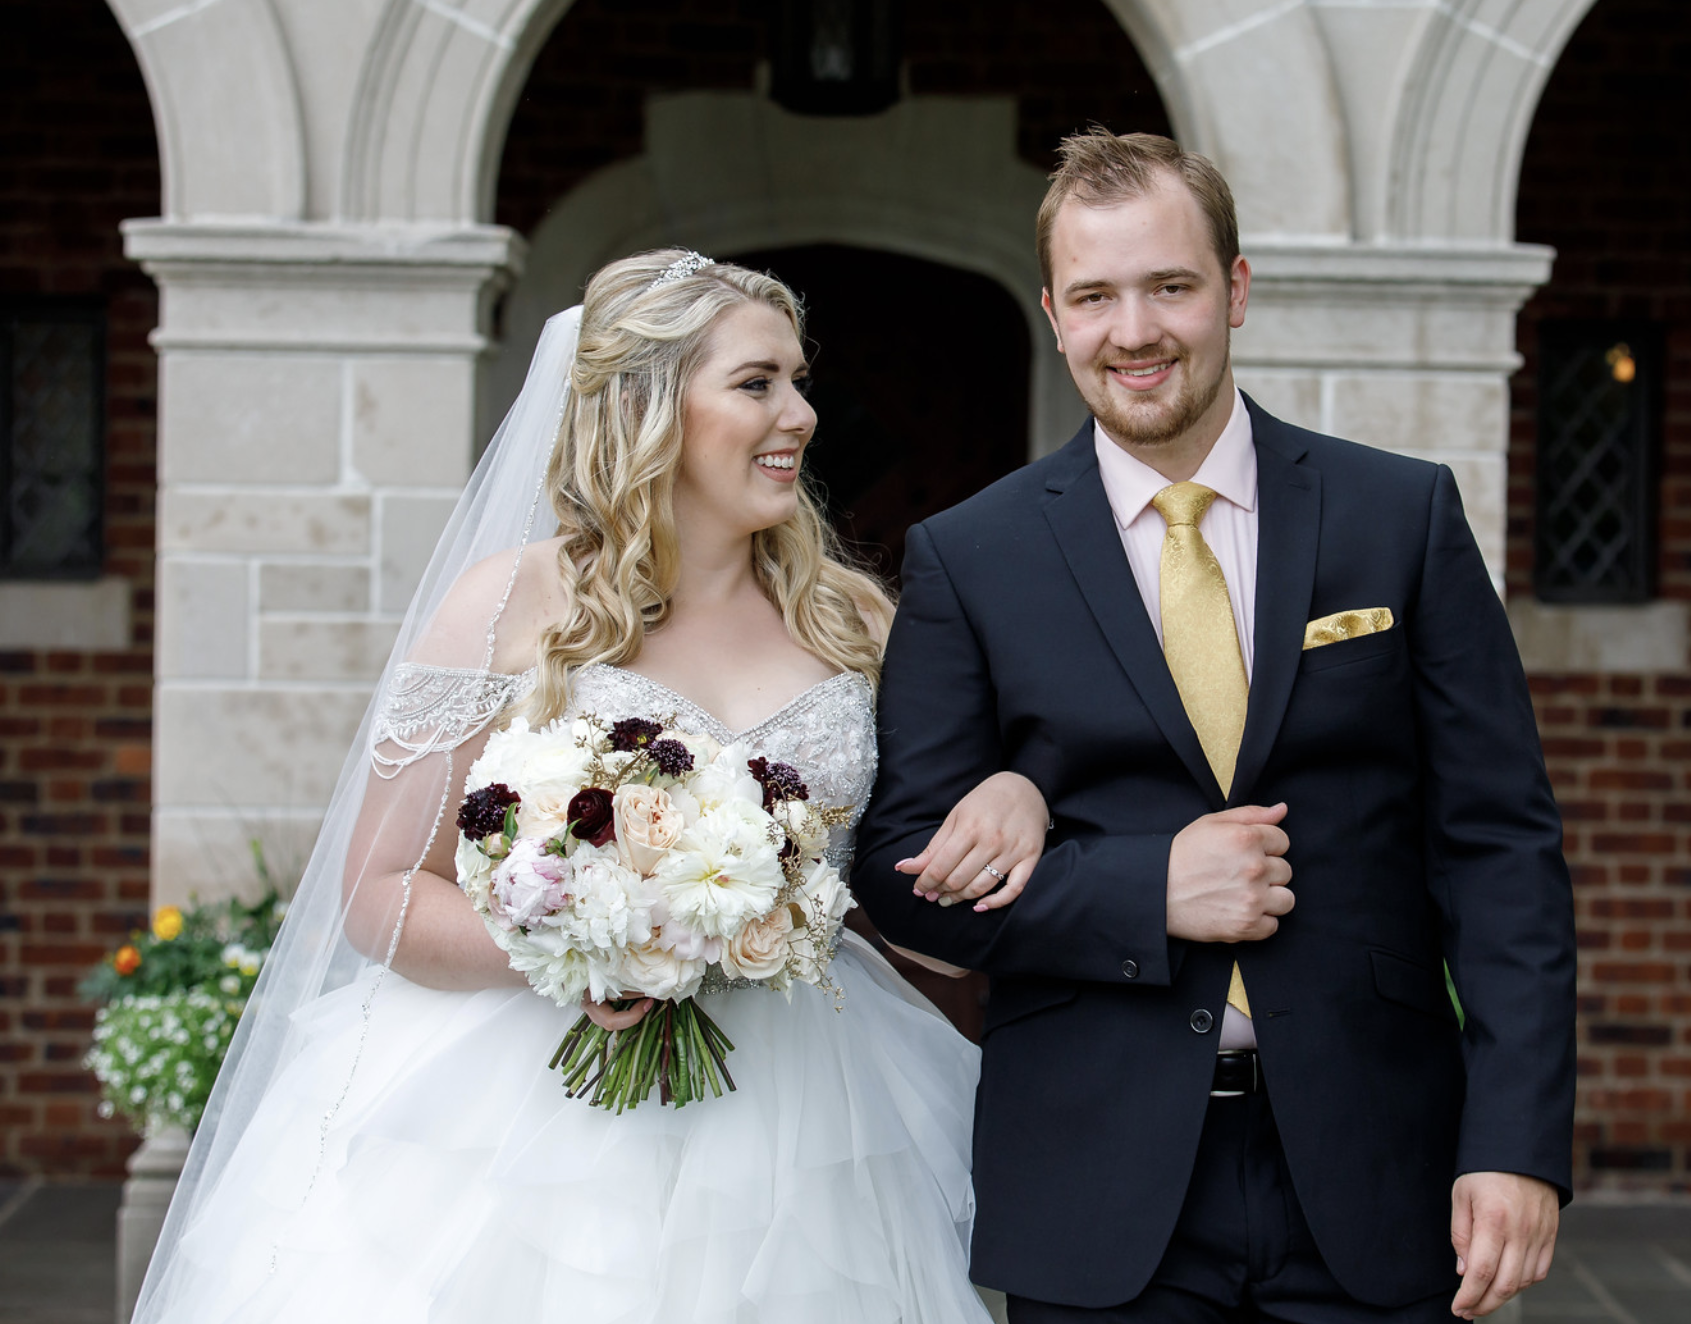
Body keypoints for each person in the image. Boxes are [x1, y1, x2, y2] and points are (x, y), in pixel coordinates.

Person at [131, 250, 1051, 1323]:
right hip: (519, 1125)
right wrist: (587, 951)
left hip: (804, 1124)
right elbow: (380, 892)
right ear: (647, 405)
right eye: (757, 383)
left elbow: (920, 882)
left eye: (798, 381)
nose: (800, 414)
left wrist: (1016, 798)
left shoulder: (857, 621)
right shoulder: (509, 604)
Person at [852, 128, 1577, 1322]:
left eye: (1170, 286)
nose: (1134, 331)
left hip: (1377, 1166)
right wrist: (1145, 889)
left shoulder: (1399, 514)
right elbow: (896, 872)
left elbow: (1501, 846)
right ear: (1055, 314)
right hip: (1096, 1180)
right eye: (1096, 296)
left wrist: (1516, 1140)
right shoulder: (971, 556)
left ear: (1234, 289)